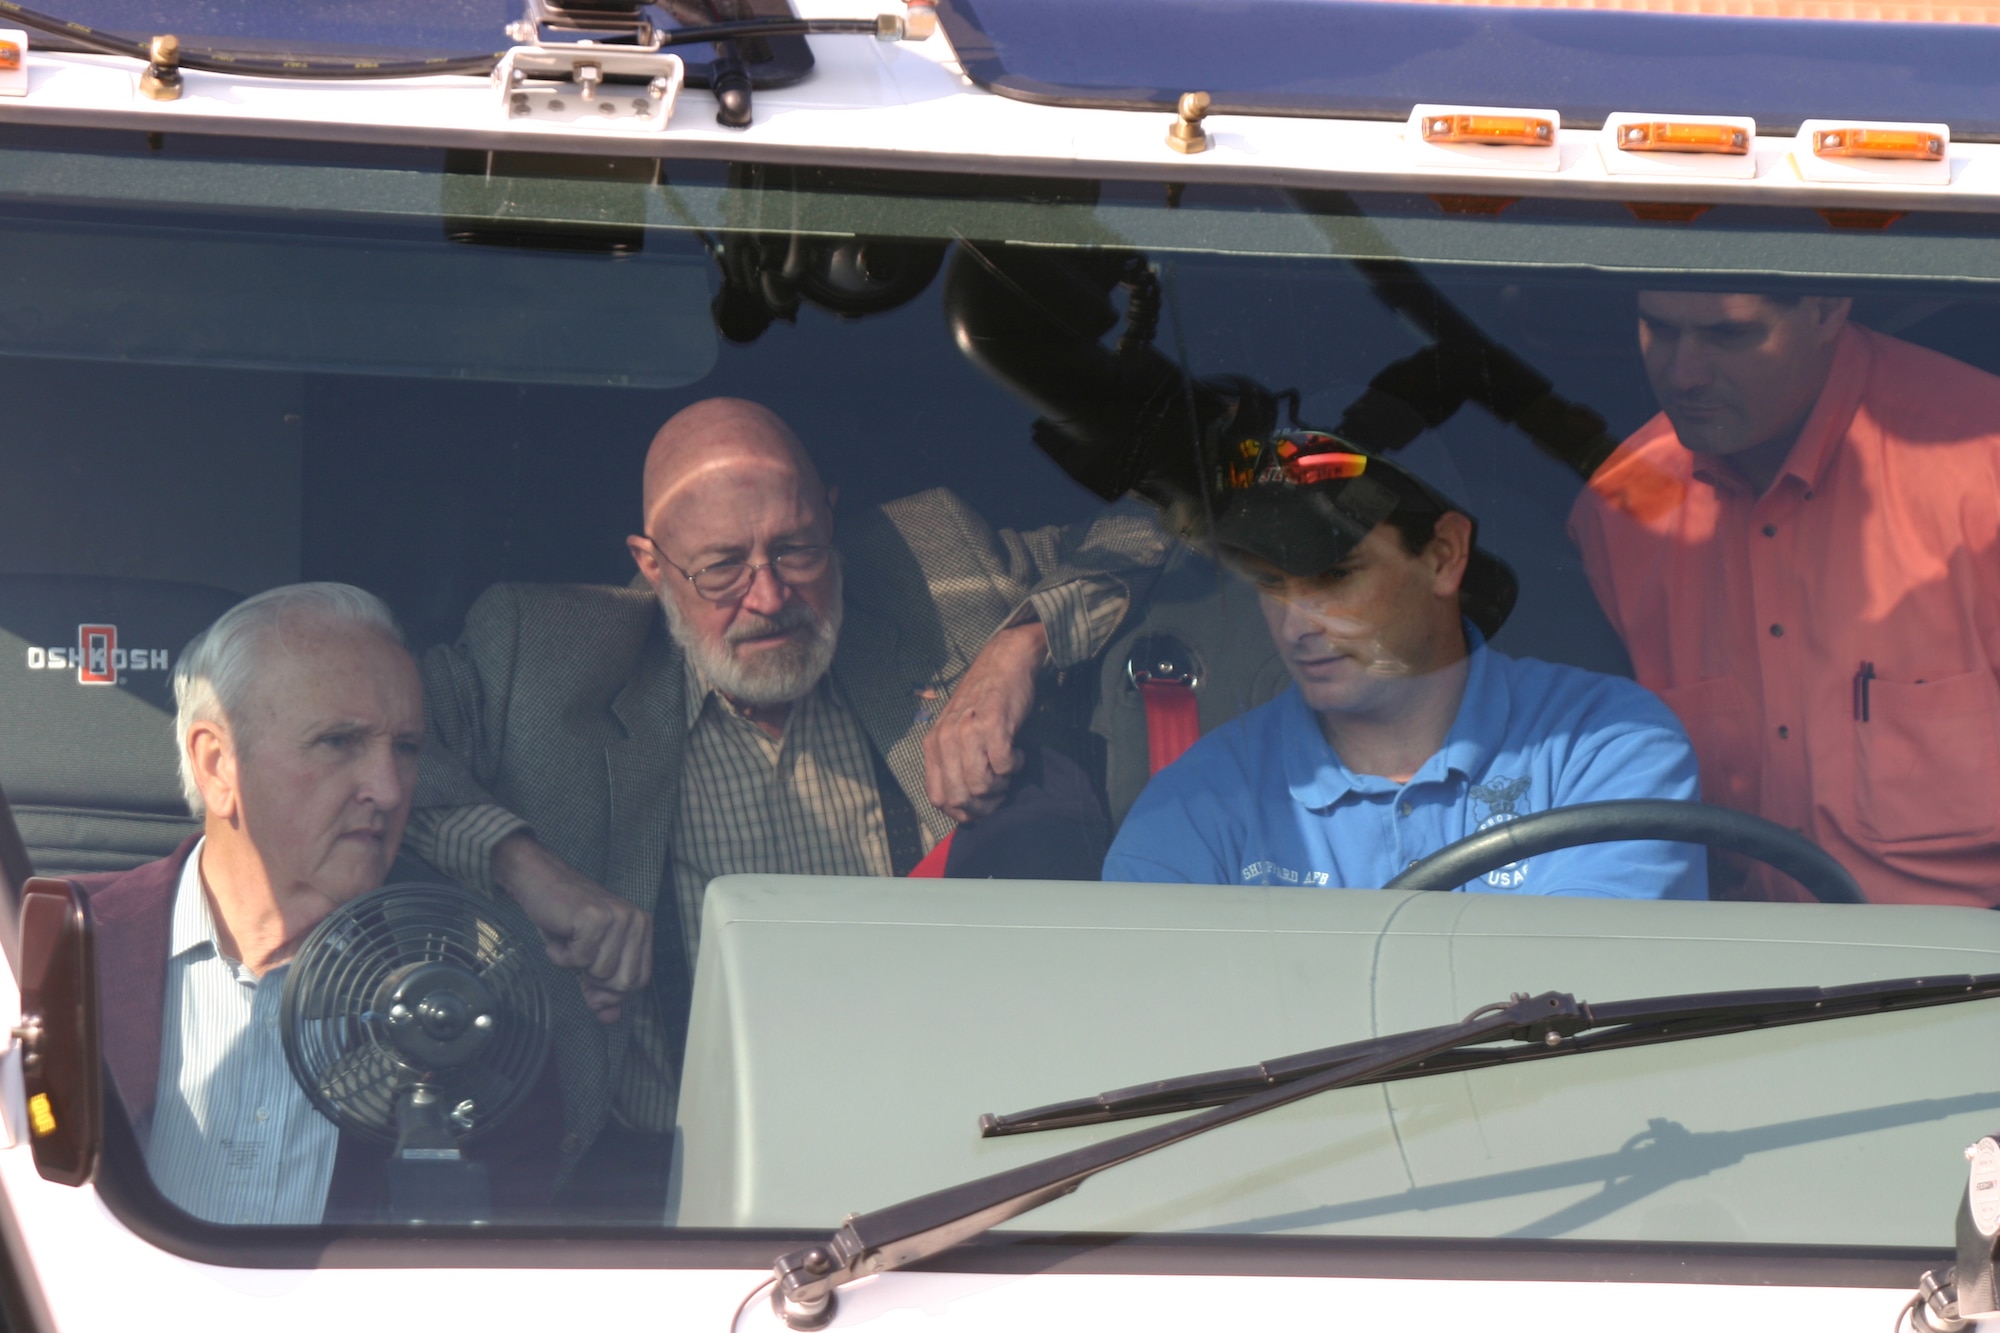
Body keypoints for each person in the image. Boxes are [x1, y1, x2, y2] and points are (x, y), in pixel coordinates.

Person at [406, 397, 1162, 1190]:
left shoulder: (931, 569)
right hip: (664, 1177)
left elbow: (1174, 516)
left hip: (941, 1156)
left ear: (831, 520)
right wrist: (525, 866)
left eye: (797, 550)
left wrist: (1019, 647)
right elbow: (350, 738)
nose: (769, 597)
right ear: (652, 562)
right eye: (722, 566)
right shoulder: (543, 653)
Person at [72, 583, 565, 1224]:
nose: (389, 790)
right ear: (218, 765)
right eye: (339, 742)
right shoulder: (48, 951)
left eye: (406, 749)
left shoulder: (475, 1005)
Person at [1104, 436, 1705, 898]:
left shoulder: (1605, 746)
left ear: (1444, 556)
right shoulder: (1194, 803)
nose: (1296, 625)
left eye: (1334, 575)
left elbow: (1594, 1007)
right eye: (1269, 582)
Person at [1569, 292, 2000, 906]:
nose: (1684, 373)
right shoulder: (1622, 507)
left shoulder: (1985, 464)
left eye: (1729, 335)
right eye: (1659, 330)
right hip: (1730, 976)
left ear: (1827, 309)